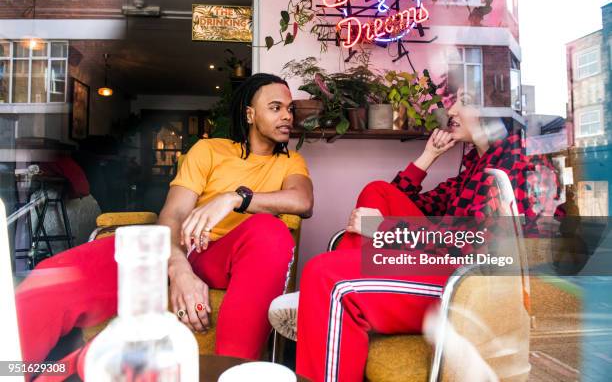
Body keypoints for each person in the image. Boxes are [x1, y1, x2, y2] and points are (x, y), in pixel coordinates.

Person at [15, 73, 314, 380]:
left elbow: (302, 201)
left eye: (290, 109)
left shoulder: (290, 162)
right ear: (250, 114)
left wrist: (234, 198)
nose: (287, 116)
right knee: (56, 278)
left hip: (227, 256)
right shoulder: (209, 150)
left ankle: (232, 372)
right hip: (175, 248)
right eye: (276, 107)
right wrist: (179, 269)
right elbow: (172, 215)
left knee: (270, 232)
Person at [272, 89, 558, 382]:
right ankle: (330, 301)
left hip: (471, 287)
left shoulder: (513, 163)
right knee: (377, 191)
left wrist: (383, 230)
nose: (452, 111)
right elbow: (407, 201)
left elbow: (479, 248)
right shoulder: (475, 164)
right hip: (446, 265)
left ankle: (326, 300)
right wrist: (428, 156)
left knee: (326, 274)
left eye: (466, 102)